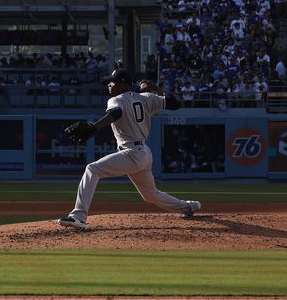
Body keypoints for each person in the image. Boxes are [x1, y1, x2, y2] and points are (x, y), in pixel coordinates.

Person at [57, 67, 201, 230]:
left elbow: (116, 113)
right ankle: (189, 207)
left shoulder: (116, 99)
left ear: (123, 84)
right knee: (150, 195)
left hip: (132, 153)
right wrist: (154, 88)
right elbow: (175, 104)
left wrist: (95, 127)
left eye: (113, 82)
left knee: (92, 169)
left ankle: (78, 217)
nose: (109, 86)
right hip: (144, 154)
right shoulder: (148, 98)